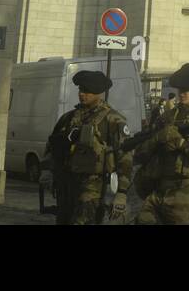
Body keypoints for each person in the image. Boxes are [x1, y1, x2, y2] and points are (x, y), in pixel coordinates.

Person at [129, 62, 189, 224]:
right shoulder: (167, 116)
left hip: (185, 193)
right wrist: (158, 139)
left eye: (187, 89)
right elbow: (140, 153)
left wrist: (180, 143)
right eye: (180, 89)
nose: (182, 93)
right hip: (158, 189)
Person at [44, 70, 132, 225]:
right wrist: (47, 172)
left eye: (87, 91)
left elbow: (125, 157)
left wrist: (122, 192)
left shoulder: (113, 120)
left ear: (98, 93)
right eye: (80, 90)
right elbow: (52, 146)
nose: (82, 94)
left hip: (93, 186)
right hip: (67, 183)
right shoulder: (69, 118)